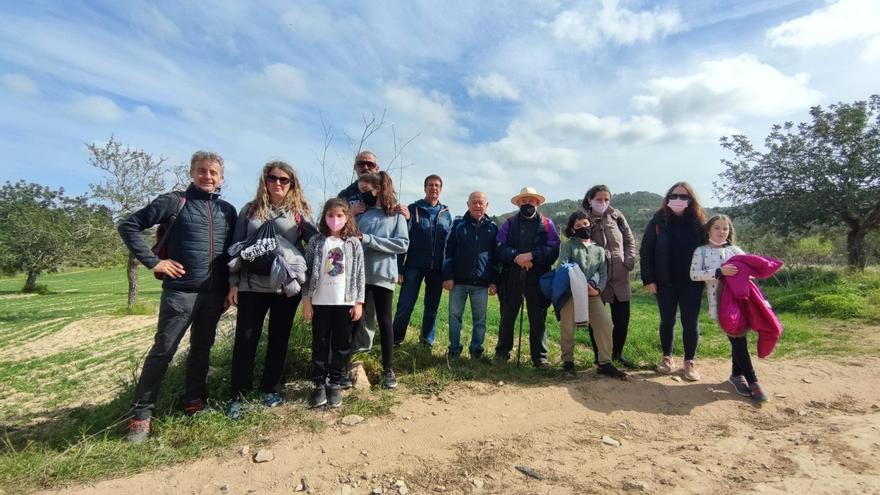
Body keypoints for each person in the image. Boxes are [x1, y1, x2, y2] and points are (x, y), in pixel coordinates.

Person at [117, 151, 237, 443]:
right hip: (179, 293)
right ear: (192, 173)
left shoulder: (228, 211)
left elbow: (233, 252)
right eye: (202, 170)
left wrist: (231, 287)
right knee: (163, 352)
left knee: (201, 350)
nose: (207, 176)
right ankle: (141, 415)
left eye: (213, 172)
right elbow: (128, 225)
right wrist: (154, 262)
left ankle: (193, 400)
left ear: (221, 178)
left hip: (214, 295)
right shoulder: (174, 202)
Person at [225, 161, 316, 420]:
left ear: (292, 184)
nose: (278, 183)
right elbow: (235, 247)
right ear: (265, 181)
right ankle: (238, 395)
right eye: (273, 178)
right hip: (251, 285)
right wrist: (233, 283)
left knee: (279, 339)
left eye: (284, 180)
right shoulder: (251, 210)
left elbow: (315, 243)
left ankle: (271, 389)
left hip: (285, 289)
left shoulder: (299, 213)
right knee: (245, 341)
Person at [689, 214, 768, 401]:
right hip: (720, 302)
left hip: (742, 301)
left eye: (725, 228)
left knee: (739, 338)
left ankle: (737, 375)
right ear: (708, 229)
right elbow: (694, 275)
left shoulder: (735, 250)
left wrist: (746, 275)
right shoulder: (700, 251)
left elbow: (750, 273)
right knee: (737, 338)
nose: (721, 232)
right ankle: (752, 380)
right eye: (717, 227)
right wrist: (719, 272)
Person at [302, 198, 366, 408]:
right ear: (324, 218)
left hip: (344, 302)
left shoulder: (353, 243)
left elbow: (359, 274)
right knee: (319, 343)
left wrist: (358, 302)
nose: (335, 219)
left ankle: (336, 383)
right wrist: (307, 301)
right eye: (331, 215)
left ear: (347, 218)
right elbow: (308, 271)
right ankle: (320, 384)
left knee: (341, 345)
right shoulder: (316, 241)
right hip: (320, 301)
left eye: (339, 215)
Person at [640, 181, 706, 380]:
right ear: (668, 199)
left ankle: (689, 361)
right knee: (667, 320)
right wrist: (649, 279)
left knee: (690, 322)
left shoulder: (700, 223)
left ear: (691, 200)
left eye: (683, 196)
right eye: (674, 196)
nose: (678, 200)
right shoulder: (658, 221)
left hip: (692, 282)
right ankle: (667, 357)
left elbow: (713, 245)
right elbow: (646, 251)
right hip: (664, 282)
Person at [495, 187, 560, 367]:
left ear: (537, 203)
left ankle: (539, 357)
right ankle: (502, 351)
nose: (527, 204)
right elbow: (500, 246)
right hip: (512, 275)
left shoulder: (548, 224)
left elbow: (554, 248)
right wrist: (517, 257)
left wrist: (532, 256)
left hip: (538, 276)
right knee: (507, 314)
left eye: (531, 201)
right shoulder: (508, 223)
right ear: (518, 204)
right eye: (523, 201)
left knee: (538, 316)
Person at [356, 172, 409, 388]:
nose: (362, 196)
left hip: (384, 276)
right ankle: (353, 360)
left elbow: (402, 244)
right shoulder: (361, 214)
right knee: (357, 320)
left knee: (385, 322)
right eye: (360, 192)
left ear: (377, 189)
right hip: (359, 277)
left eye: (365, 192)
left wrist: (368, 239)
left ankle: (389, 370)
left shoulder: (395, 215)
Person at [558, 211, 627, 378]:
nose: (583, 227)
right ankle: (567, 361)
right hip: (571, 293)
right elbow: (563, 265)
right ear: (573, 229)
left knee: (605, 325)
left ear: (590, 224)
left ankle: (604, 363)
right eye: (578, 225)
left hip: (593, 294)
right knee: (568, 327)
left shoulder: (598, 249)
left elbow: (603, 272)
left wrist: (598, 289)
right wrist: (579, 283)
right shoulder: (569, 245)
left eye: (585, 224)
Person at [392, 174, 453, 347]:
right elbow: (402, 239)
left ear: (441, 189)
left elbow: (449, 244)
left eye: (437, 185)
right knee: (405, 304)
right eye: (430, 185)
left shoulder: (446, 213)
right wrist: (399, 268)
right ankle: (396, 339)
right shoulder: (413, 209)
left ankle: (426, 341)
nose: (434, 188)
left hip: (437, 269)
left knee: (432, 308)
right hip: (414, 266)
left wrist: (448, 271)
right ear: (424, 188)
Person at [582, 185, 637, 367]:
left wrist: (629, 260)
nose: (603, 203)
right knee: (597, 321)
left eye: (606, 200)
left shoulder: (617, 216)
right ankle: (600, 357)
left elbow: (629, 240)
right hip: (597, 278)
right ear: (590, 200)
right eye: (599, 199)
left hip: (621, 276)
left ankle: (617, 354)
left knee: (622, 319)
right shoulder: (584, 220)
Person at [442, 191, 498, 359]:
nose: (477, 206)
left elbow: (496, 257)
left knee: (480, 320)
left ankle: (476, 351)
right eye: (474, 202)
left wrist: (494, 281)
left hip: (481, 283)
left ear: (487, 205)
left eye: (481, 203)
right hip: (458, 281)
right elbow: (448, 250)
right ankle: (454, 349)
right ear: (468, 204)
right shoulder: (458, 224)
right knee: (454, 317)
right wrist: (447, 276)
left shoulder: (493, 227)